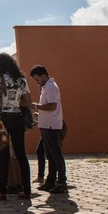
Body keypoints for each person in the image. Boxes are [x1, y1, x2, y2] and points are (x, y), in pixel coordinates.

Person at [0, 53, 33, 201]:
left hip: (3, 119)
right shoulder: (21, 79)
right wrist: (15, 103)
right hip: (17, 117)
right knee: (21, 154)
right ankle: (26, 190)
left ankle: (2, 192)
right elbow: (29, 101)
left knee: (3, 154)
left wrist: (2, 102)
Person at [30, 65, 68, 193]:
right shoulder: (46, 87)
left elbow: (52, 106)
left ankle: (62, 181)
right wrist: (40, 114)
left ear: (43, 76)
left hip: (52, 126)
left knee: (56, 155)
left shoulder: (51, 87)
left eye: (37, 79)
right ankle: (50, 180)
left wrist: (36, 106)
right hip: (46, 125)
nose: (37, 82)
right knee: (50, 155)